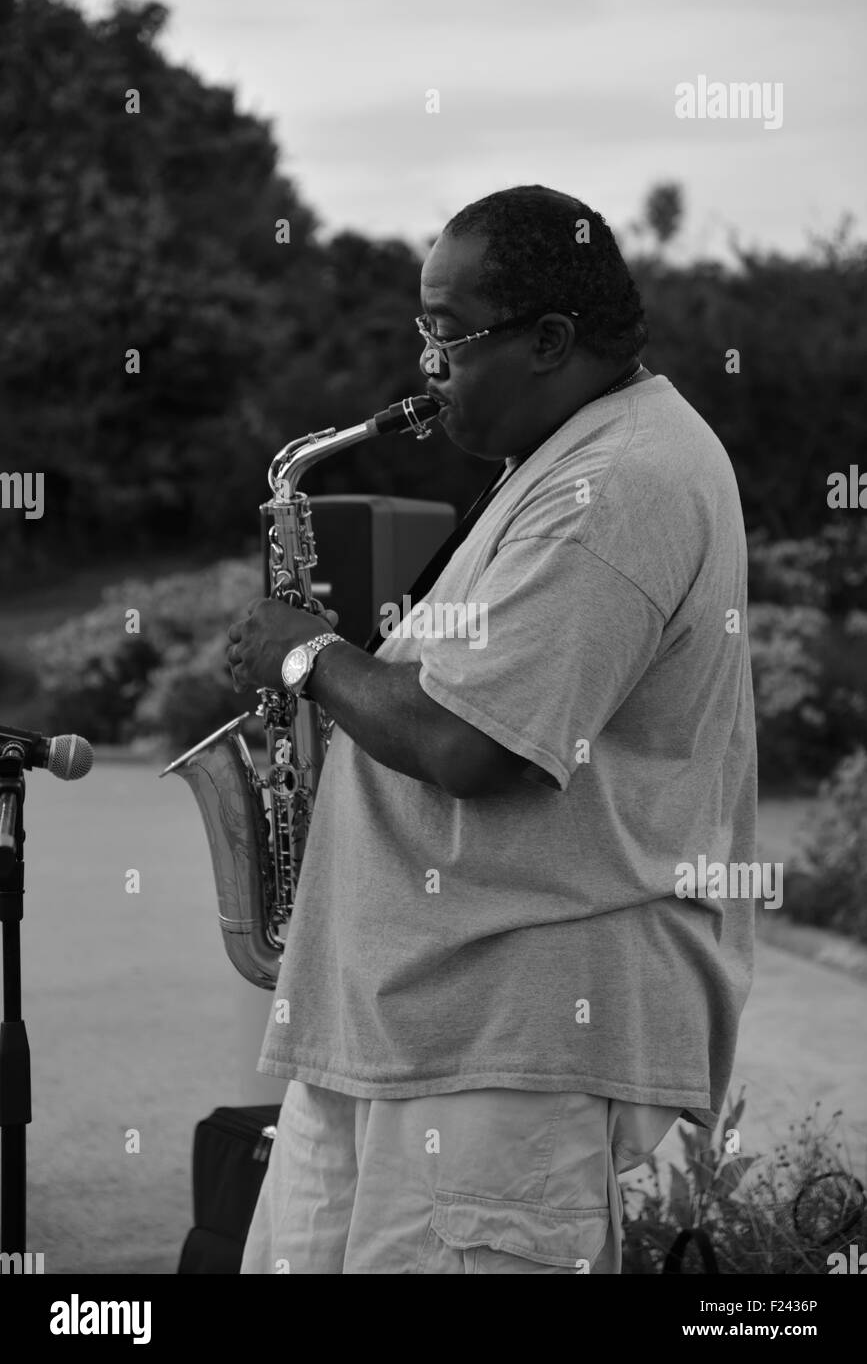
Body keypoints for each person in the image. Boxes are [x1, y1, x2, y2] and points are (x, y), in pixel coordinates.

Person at [227, 185, 757, 1275]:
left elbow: (476, 745)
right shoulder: (565, 459)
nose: (426, 370)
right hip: (417, 1031)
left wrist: (307, 654)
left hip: (501, 1047)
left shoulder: (613, 482)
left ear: (552, 340)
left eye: (445, 335)